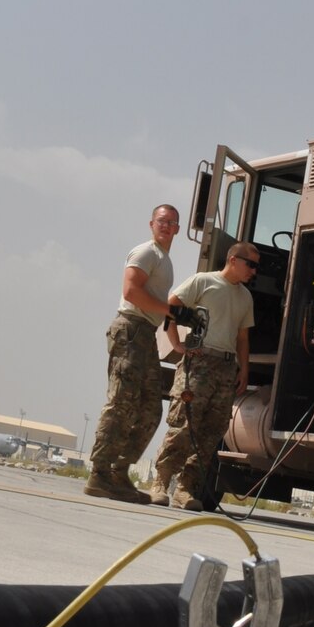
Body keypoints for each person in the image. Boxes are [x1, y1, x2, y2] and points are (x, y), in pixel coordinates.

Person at [149, 243, 258, 511]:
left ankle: (186, 489)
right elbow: (172, 306)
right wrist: (176, 344)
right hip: (199, 364)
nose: (253, 272)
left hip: (225, 368)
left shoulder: (245, 297)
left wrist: (243, 369)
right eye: (250, 265)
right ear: (233, 260)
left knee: (211, 432)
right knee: (184, 425)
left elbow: (243, 337)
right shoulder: (203, 282)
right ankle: (160, 483)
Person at [84, 204, 181, 503]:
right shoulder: (145, 253)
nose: (166, 226)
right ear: (151, 224)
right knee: (121, 402)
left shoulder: (164, 260)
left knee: (151, 408)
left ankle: (118, 472)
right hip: (130, 329)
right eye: (161, 221)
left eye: (171, 223)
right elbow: (131, 292)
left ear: (178, 229)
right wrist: (169, 310)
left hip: (146, 334)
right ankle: (99, 473)